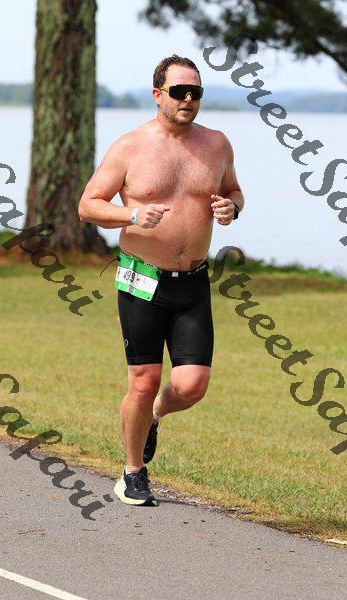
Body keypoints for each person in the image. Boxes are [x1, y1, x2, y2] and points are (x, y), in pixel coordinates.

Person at [78, 54, 244, 506]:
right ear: (158, 95)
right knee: (144, 378)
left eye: (196, 92)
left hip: (192, 281)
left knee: (191, 386)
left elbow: (233, 190)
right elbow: (88, 205)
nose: (188, 99)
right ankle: (133, 472)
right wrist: (131, 215)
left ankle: (152, 415)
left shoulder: (216, 144)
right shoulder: (130, 147)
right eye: (179, 92)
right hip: (141, 277)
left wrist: (231, 207)